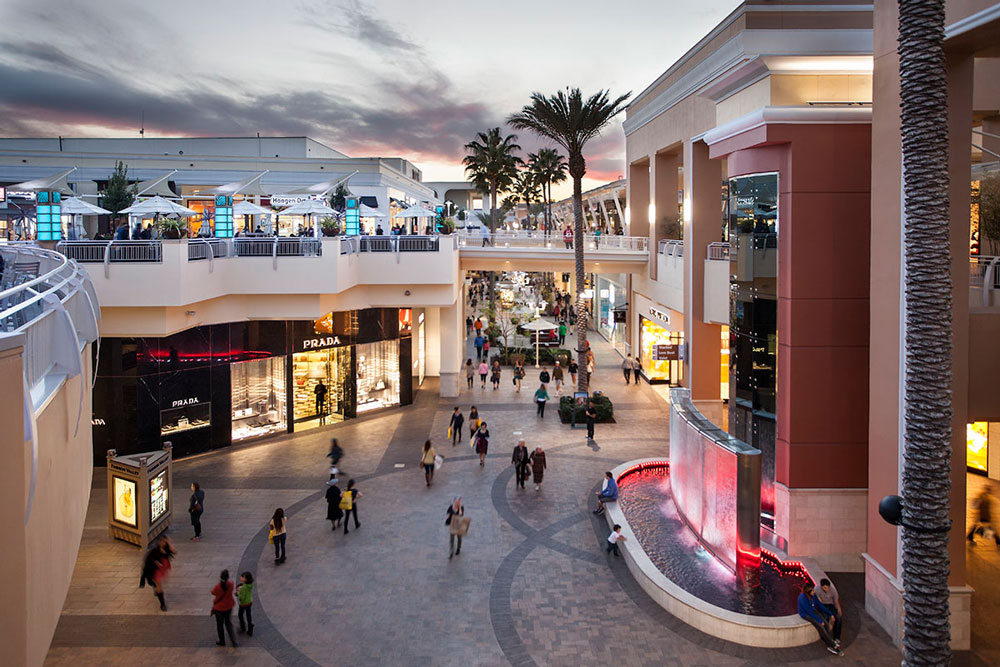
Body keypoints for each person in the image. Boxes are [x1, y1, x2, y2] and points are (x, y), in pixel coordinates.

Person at [798, 582, 843, 655]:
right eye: (812, 590)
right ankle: (833, 645)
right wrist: (819, 620)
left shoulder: (813, 595)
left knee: (826, 623)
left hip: (813, 610)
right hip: (805, 614)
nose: (814, 591)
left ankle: (828, 640)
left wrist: (830, 613)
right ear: (808, 591)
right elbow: (809, 612)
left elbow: (820, 604)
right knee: (820, 626)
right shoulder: (802, 598)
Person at [140, 536, 175, 611]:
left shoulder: (167, 548)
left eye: (164, 542)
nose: (163, 543)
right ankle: (162, 604)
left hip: (163, 567)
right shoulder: (154, 551)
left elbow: (174, 551)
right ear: (159, 542)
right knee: (158, 584)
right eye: (162, 541)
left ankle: (156, 588)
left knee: (158, 583)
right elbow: (149, 560)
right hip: (155, 569)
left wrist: (169, 542)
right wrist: (157, 563)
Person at [211, 569, 238, 648]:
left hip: (219, 608)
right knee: (228, 623)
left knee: (220, 625)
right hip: (228, 606)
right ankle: (234, 641)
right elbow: (232, 584)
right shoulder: (231, 584)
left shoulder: (218, 586)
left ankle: (222, 641)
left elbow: (213, 592)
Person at [816, 578, 843, 650]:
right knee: (825, 619)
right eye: (825, 588)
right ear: (822, 587)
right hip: (822, 605)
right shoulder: (817, 590)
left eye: (828, 587)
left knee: (838, 619)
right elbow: (819, 602)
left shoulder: (833, 591)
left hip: (830, 605)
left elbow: (836, 601)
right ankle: (827, 638)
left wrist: (839, 610)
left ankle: (836, 637)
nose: (827, 589)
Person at [236, 572, 254, 636]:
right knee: (248, 614)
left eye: (242, 577)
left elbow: (242, 598)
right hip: (249, 601)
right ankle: (250, 627)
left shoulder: (244, 588)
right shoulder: (250, 584)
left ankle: (243, 627)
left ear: (245, 579)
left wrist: (238, 592)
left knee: (240, 615)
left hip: (244, 603)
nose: (241, 577)